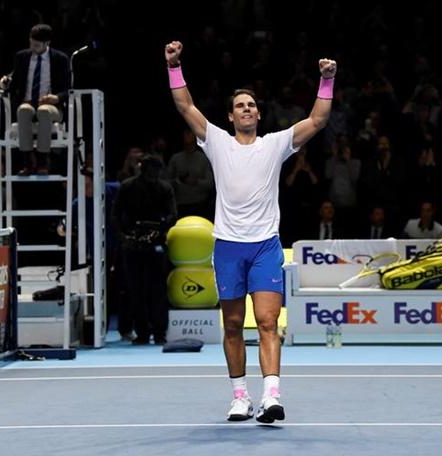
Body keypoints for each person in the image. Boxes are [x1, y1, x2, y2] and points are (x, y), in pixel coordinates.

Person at [165, 40, 336, 423]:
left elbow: (318, 121)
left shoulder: (276, 145)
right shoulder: (217, 142)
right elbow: (184, 106)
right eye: (240, 105)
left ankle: (271, 396)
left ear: (259, 115)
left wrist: (326, 80)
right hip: (227, 247)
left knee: (267, 322)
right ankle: (239, 396)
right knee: (230, 325)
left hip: (264, 247)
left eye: (252, 105)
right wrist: (174, 66)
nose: (247, 109)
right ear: (230, 116)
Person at [112, 155, 177, 345]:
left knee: (156, 290)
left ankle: (158, 332)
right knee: (136, 290)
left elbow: (172, 215)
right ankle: (143, 332)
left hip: (155, 242)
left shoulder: (164, 188)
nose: (153, 174)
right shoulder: (128, 187)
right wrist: (124, 237)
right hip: (133, 243)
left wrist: (160, 228)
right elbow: (116, 214)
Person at [0, 24, 70, 175]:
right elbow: (15, 78)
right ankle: (27, 160)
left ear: (47, 43)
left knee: (43, 111)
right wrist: (6, 81)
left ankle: (43, 159)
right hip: (29, 103)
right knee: (24, 110)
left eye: (37, 45)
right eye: (31, 43)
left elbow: (67, 89)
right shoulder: (22, 56)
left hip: (51, 106)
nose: (33, 47)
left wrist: (56, 98)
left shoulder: (60, 59)